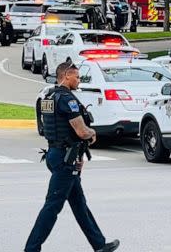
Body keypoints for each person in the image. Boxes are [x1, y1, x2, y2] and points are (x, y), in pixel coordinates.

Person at [25, 61, 120, 252]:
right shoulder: (67, 99)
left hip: (58, 154)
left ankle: (99, 244)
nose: (79, 81)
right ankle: (31, 248)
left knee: (79, 205)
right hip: (64, 159)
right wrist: (92, 133)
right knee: (52, 206)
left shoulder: (49, 97)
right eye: (76, 77)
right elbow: (80, 131)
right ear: (66, 75)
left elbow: (53, 128)